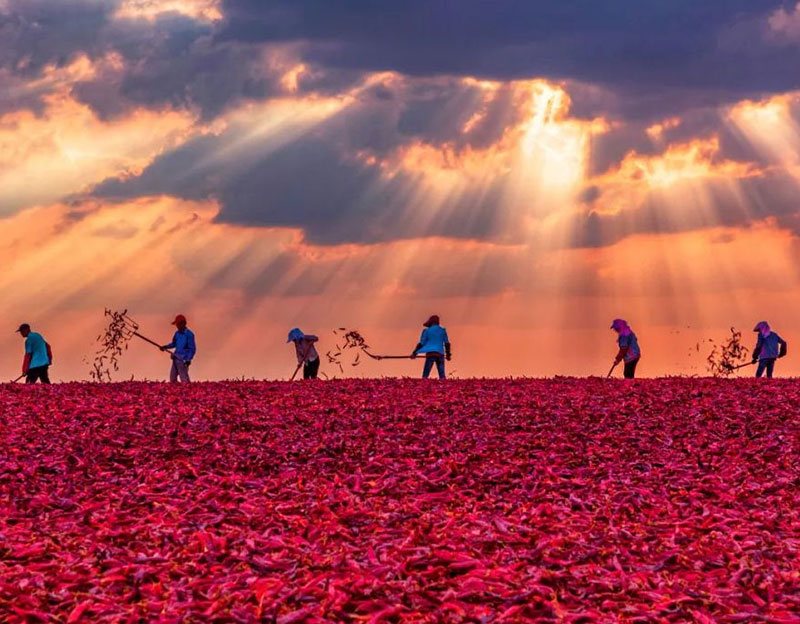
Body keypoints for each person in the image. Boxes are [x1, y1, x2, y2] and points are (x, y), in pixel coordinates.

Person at [160, 314, 196, 383]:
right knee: (172, 378)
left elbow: (192, 349)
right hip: (175, 358)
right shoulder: (177, 333)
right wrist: (165, 347)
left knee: (184, 378)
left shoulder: (189, 334)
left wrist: (188, 359)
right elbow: (174, 343)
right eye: (176, 324)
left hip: (183, 360)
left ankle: (186, 391)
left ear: (183, 324)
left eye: (178, 324)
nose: (177, 326)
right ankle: (175, 393)